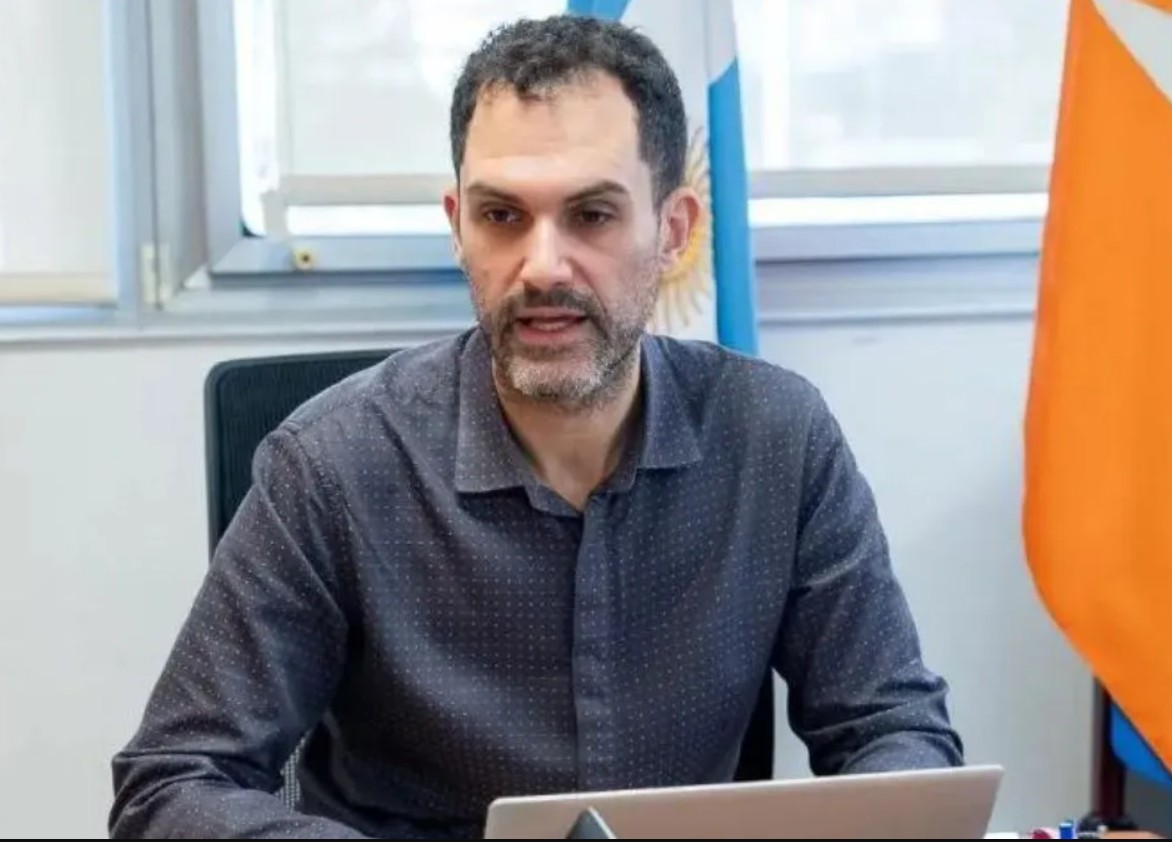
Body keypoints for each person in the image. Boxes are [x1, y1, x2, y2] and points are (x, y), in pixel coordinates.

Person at [109, 13, 962, 839]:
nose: (543, 266)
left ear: (673, 230)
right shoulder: (334, 464)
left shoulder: (778, 438)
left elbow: (893, 730)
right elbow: (173, 785)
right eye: (502, 216)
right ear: (458, 227)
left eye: (592, 215)